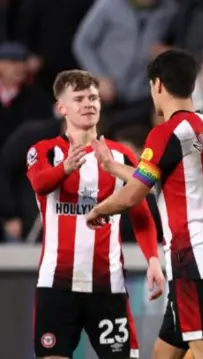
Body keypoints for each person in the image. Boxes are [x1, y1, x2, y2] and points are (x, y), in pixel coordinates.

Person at [86, 49, 203, 359]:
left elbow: (133, 195)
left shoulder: (165, 133)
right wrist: (114, 167)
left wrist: (98, 211)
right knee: (163, 354)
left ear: (157, 86)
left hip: (192, 259)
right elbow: (166, 179)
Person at [27, 69, 164, 359]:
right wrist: (65, 168)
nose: (89, 104)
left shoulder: (120, 157)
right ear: (61, 107)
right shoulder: (45, 151)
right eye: (79, 99)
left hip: (107, 287)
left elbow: (140, 213)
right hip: (57, 285)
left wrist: (153, 259)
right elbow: (40, 184)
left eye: (93, 98)